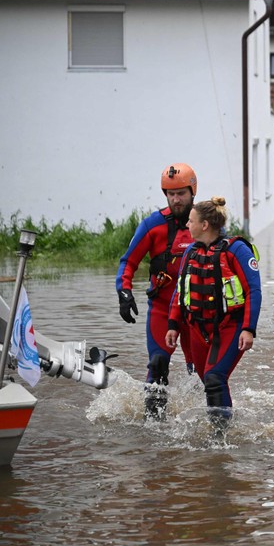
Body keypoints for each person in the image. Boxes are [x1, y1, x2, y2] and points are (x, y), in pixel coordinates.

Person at [165, 196, 262, 427]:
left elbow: (254, 291)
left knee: (215, 378)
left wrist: (248, 329)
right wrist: (172, 325)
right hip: (198, 328)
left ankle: (221, 438)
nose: (187, 225)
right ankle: (222, 425)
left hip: (230, 326)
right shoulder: (190, 252)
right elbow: (181, 291)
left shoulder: (236, 250)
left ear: (204, 225)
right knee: (209, 381)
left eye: (191, 221)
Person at [116, 163, 197, 418]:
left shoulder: (205, 222)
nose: (176, 199)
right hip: (162, 309)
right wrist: (124, 292)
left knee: (203, 372)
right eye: (170, 194)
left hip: (197, 311)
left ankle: (207, 424)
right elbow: (128, 262)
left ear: (192, 191)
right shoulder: (152, 225)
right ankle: (154, 428)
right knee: (158, 365)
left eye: (181, 193)